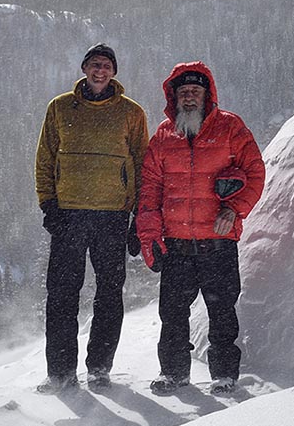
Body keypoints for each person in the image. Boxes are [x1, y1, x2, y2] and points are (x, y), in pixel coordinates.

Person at [136, 62, 266, 395]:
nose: (189, 97)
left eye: (195, 91)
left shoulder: (231, 127)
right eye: (183, 92)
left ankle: (224, 375)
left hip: (218, 243)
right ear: (174, 97)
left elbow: (255, 173)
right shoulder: (163, 136)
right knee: (172, 314)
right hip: (176, 244)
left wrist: (235, 209)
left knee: (222, 312)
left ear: (207, 95)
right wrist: (149, 236)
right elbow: (149, 189)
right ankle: (173, 373)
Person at [34, 43, 149, 393]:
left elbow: (143, 164)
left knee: (109, 294)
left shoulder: (131, 113)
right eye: (95, 64)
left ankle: (99, 368)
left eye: (106, 66)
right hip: (68, 215)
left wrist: (139, 216)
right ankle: (60, 373)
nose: (100, 71)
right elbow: (45, 158)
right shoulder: (59, 107)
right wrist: (48, 204)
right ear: (84, 68)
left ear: (114, 72)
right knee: (61, 294)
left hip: (113, 216)